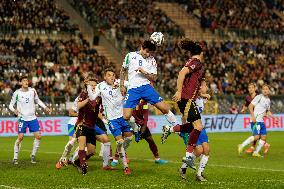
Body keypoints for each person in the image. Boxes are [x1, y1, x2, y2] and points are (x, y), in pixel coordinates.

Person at [162, 39, 206, 170]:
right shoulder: (196, 62)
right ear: (201, 52)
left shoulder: (194, 63)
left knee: (194, 127)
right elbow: (182, 73)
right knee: (198, 127)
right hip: (186, 98)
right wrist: (180, 91)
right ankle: (188, 156)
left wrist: (201, 95)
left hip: (188, 98)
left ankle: (170, 129)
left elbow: (192, 83)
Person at [119, 40, 178, 129]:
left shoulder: (152, 60)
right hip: (133, 89)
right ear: (142, 48)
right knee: (126, 116)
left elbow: (154, 78)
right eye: (147, 51)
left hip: (146, 88)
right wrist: (121, 85)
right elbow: (123, 70)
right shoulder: (130, 55)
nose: (148, 54)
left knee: (165, 108)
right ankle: (135, 127)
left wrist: (144, 72)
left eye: (150, 52)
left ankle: (179, 129)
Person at [86, 68, 132, 175]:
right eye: (109, 75)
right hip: (112, 119)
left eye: (113, 75)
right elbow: (92, 97)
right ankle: (125, 166)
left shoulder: (119, 83)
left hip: (122, 117)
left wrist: (125, 88)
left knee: (129, 138)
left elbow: (133, 86)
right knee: (120, 141)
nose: (112, 77)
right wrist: (89, 86)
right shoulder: (101, 86)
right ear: (105, 77)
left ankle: (117, 155)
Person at [9, 75, 51, 164]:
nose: (26, 82)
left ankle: (32, 155)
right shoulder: (17, 93)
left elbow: (38, 100)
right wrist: (14, 110)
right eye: (24, 80)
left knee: (38, 136)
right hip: (22, 118)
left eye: (27, 80)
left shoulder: (32, 91)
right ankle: (15, 157)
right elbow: (10, 105)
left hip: (32, 118)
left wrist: (45, 107)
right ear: (20, 82)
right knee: (20, 138)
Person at [178, 79, 210, 182]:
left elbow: (202, 95)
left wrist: (204, 95)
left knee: (206, 150)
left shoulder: (202, 98)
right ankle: (183, 168)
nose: (206, 88)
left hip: (200, 127)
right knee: (199, 150)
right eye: (205, 85)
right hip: (191, 127)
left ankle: (199, 174)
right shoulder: (192, 97)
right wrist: (183, 128)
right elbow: (184, 114)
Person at [238, 84, 276, 158]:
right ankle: (242, 145)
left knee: (264, 137)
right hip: (256, 120)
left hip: (261, 121)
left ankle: (256, 152)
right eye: (264, 89)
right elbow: (250, 106)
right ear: (262, 90)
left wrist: (274, 118)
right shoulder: (259, 97)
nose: (265, 90)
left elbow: (267, 111)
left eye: (267, 89)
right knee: (257, 137)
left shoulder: (268, 100)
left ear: (269, 91)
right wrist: (253, 117)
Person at [73, 74, 100, 175]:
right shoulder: (84, 94)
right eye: (91, 85)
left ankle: (77, 162)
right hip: (82, 124)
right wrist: (88, 99)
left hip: (91, 127)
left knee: (92, 151)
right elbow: (78, 106)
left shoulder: (99, 96)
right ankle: (83, 167)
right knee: (81, 146)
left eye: (95, 85)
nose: (93, 87)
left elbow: (100, 110)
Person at [131, 100, 168, 164]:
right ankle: (116, 158)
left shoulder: (144, 102)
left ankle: (157, 159)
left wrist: (144, 126)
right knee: (123, 139)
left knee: (150, 140)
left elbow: (145, 115)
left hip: (141, 124)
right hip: (129, 123)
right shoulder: (130, 98)